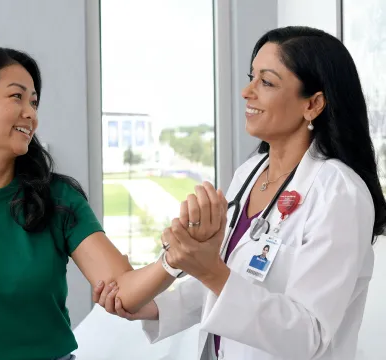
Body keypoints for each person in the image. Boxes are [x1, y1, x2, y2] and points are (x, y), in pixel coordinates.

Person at [0, 46, 226, 360]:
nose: (31, 113)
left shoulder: (58, 199)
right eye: (16, 97)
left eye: (34, 102)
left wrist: (174, 259)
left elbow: (122, 289)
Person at [94, 26, 386, 360]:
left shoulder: (339, 193)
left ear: (314, 104)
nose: (247, 91)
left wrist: (208, 268)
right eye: (252, 77)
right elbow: (236, 279)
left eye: (266, 82)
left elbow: (310, 335)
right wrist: (155, 306)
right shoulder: (250, 173)